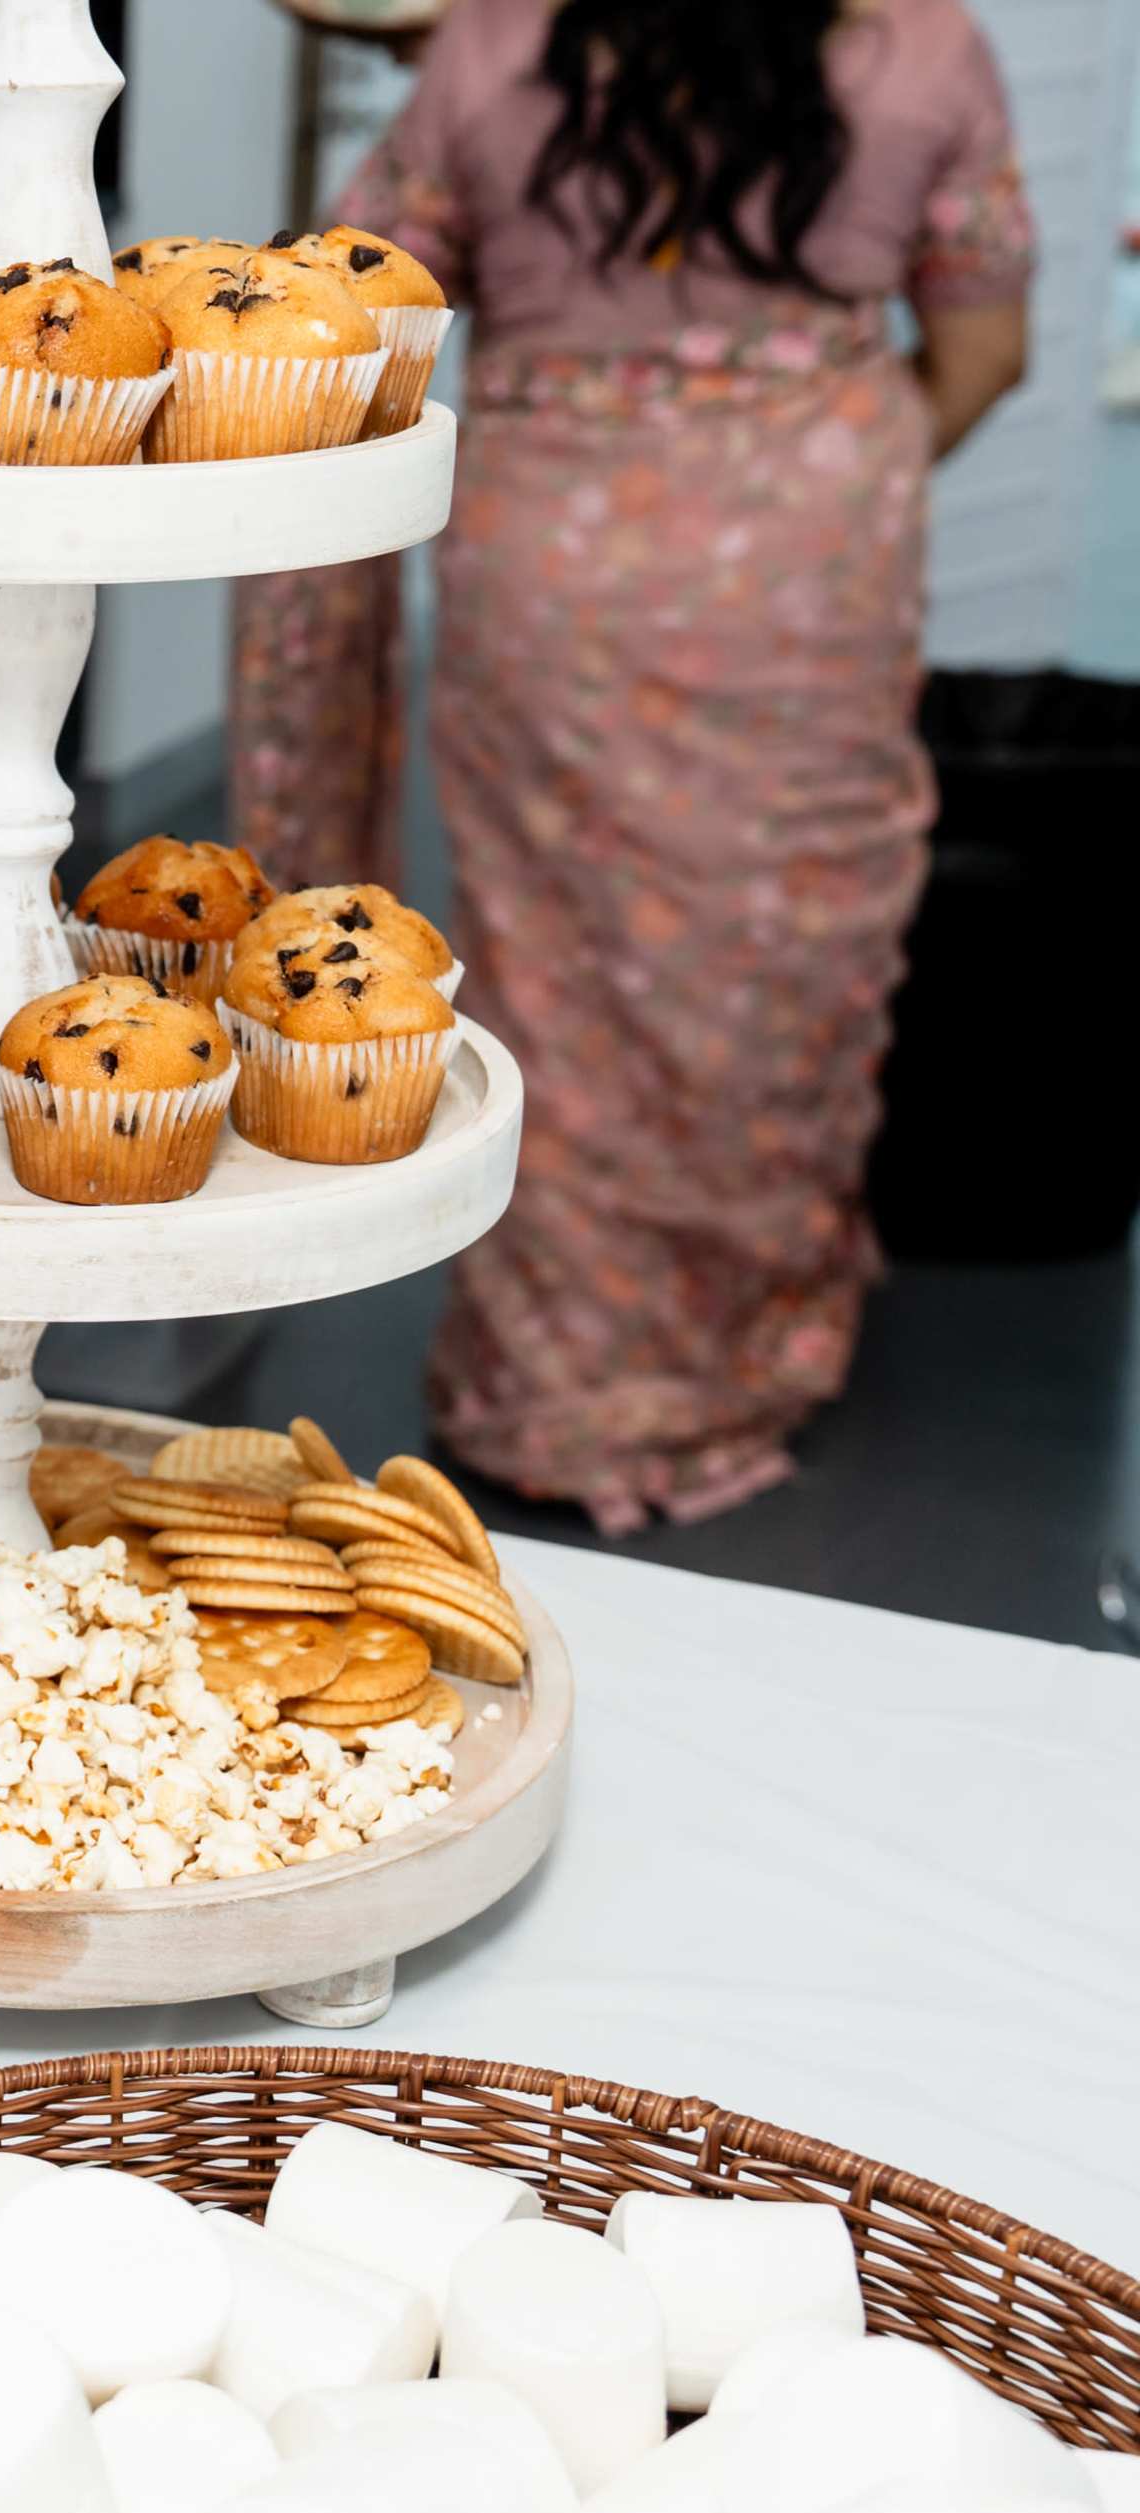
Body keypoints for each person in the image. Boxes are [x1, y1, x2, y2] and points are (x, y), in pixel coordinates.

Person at [229, 0, 1032, 1531]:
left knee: (563, 972)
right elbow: (986, 349)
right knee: (786, 959)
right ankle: (756, 1336)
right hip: (809, 566)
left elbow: (336, 309)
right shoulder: (930, 48)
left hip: (558, 568)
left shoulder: (491, 50)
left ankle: (555, 1383)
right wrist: (807, 482)